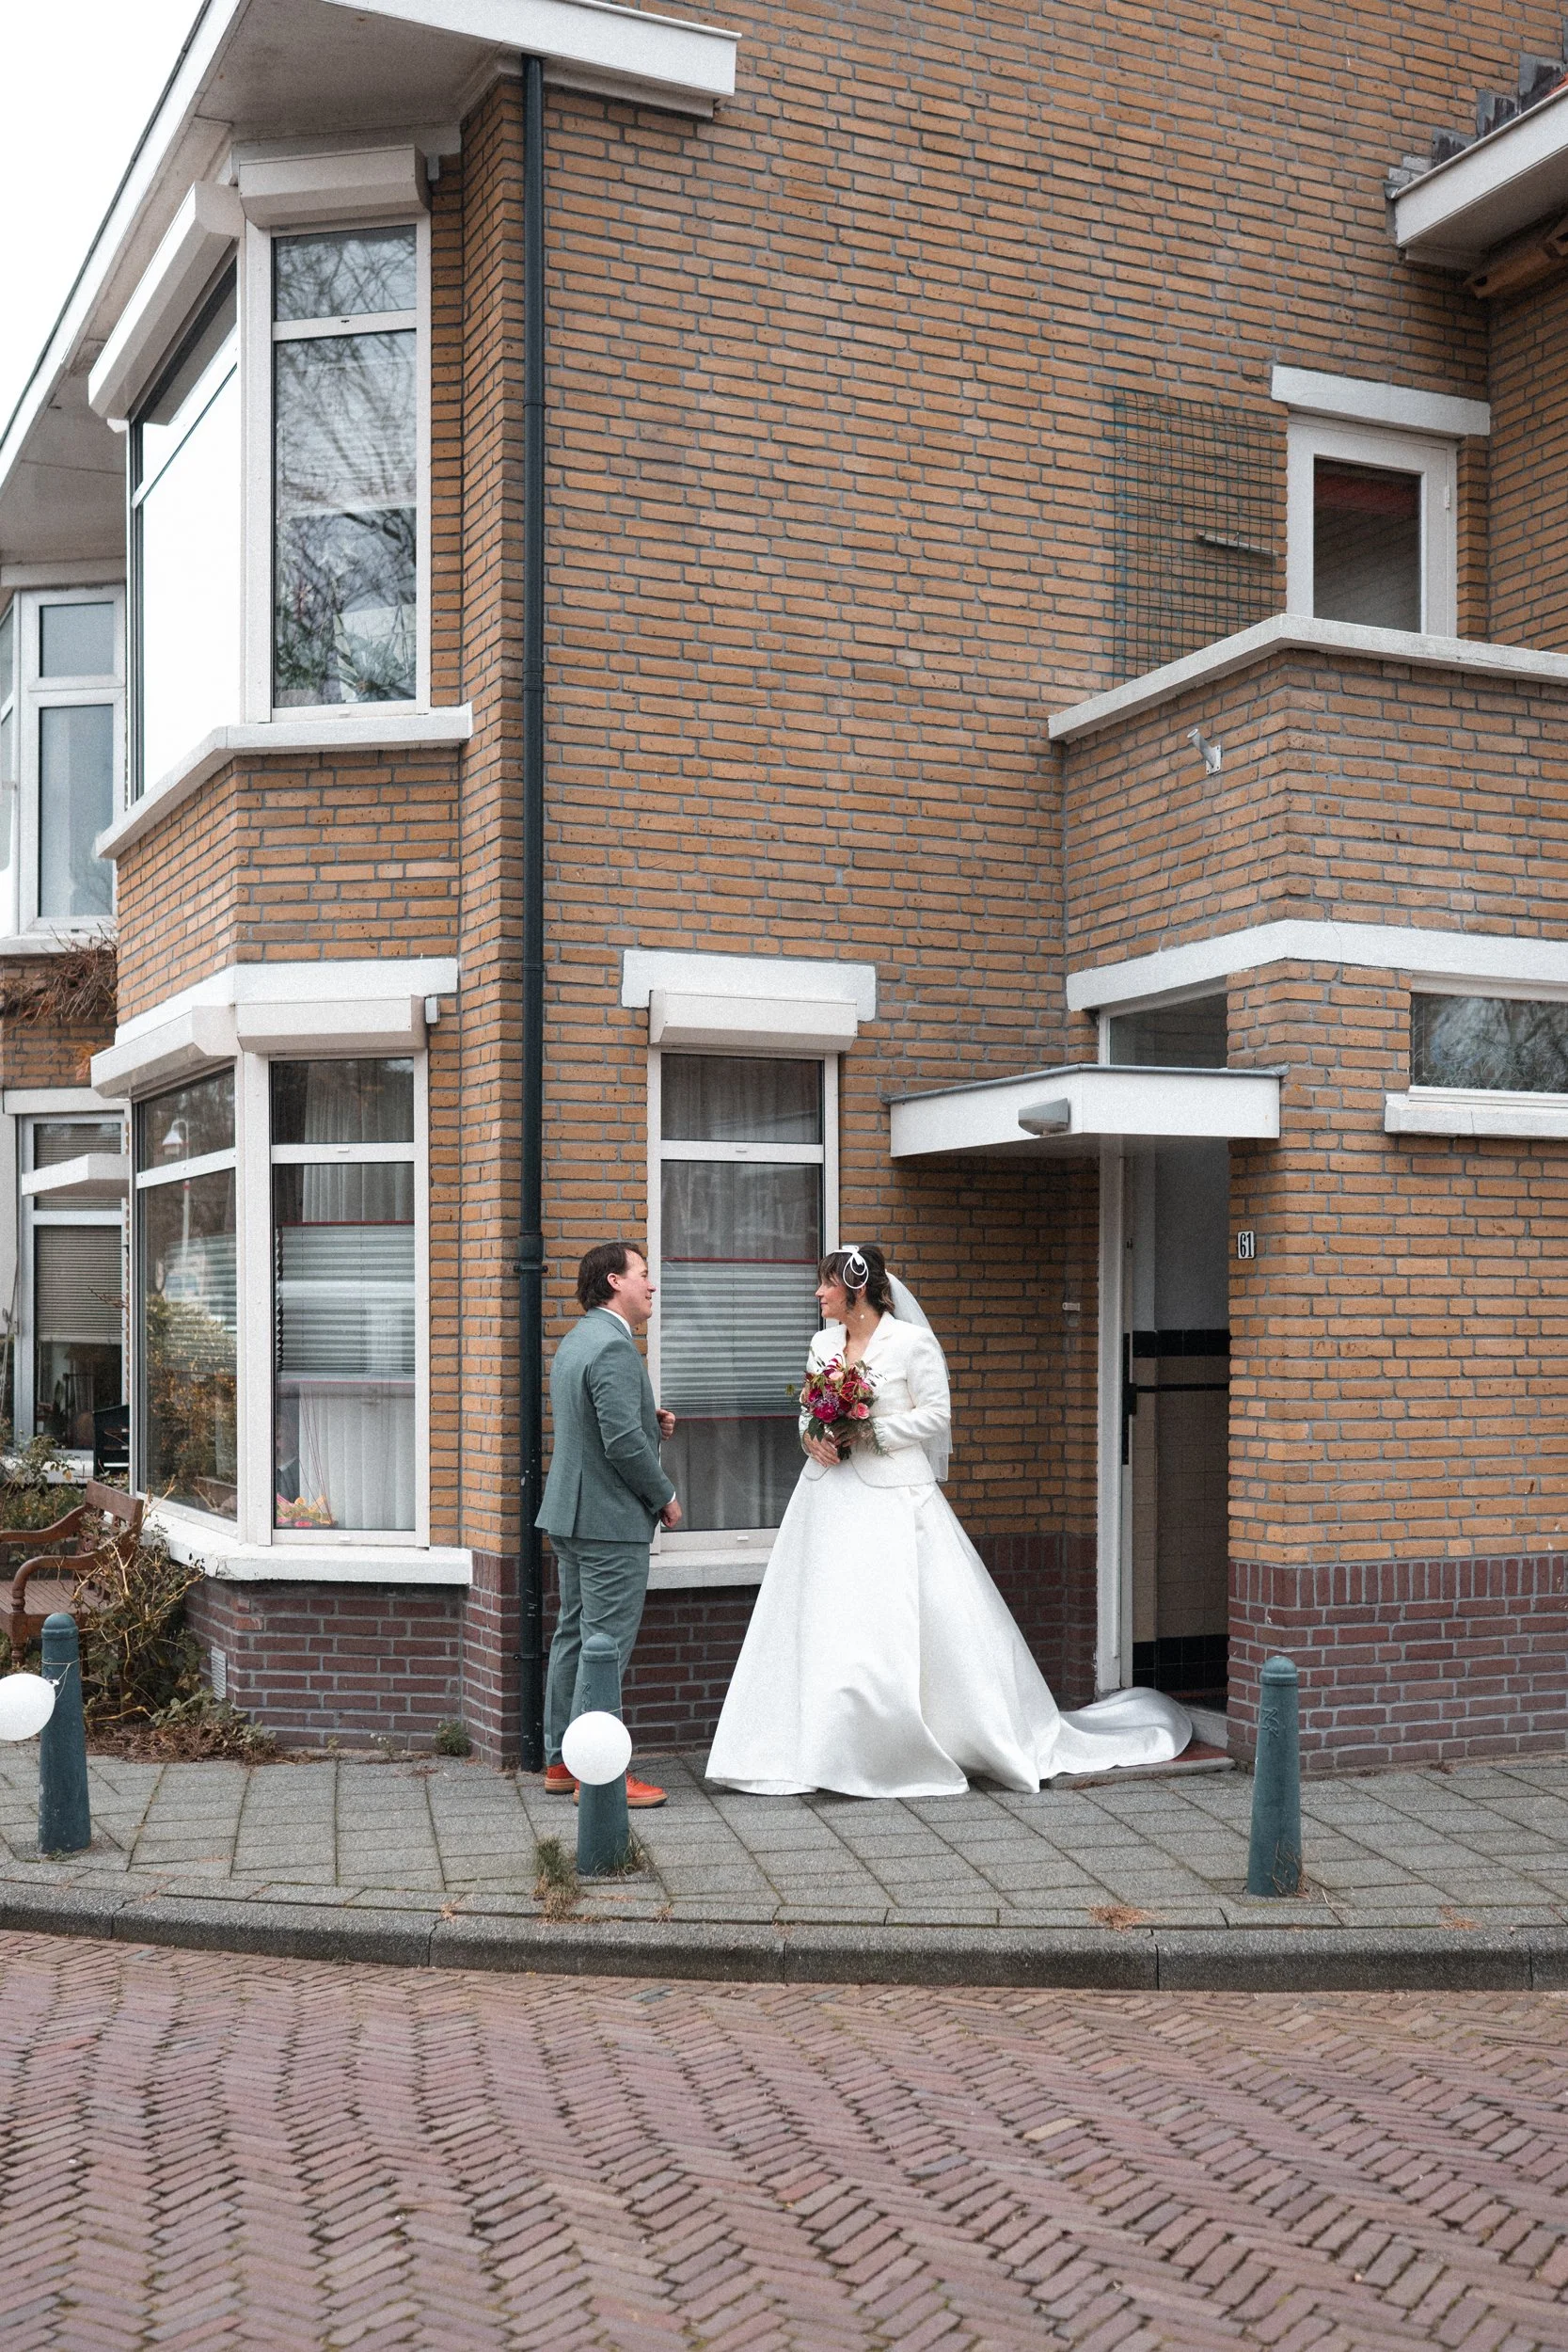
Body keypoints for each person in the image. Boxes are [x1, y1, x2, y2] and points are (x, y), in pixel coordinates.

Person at [706, 1244, 1191, 1798]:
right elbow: (806, 1410)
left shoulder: (911, 1344)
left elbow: (937, 1415)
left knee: (902, 1615)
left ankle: (917, 1741)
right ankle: (818, 1746)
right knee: (824, 1612)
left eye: (826, 1285)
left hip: (897, 1500)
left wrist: (872, 1433)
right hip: (826, 1498)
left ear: (856, 1288)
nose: (818, 1295)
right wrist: (810, 1436)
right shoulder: (821, 1343)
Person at [537, 1241, 681, 1806]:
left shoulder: (579, 1341)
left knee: (573, 1636)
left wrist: (650, 1420)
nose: (651, 1285)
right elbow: (620, 1443)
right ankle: (600, 1778)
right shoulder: (616, 1349)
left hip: (572, 1516)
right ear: (615, 1281)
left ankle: (560, 1763)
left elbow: (601, 1423)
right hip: (609, 1521)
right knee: (606, 1649)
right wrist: (663, 1493)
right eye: (644, 1274)